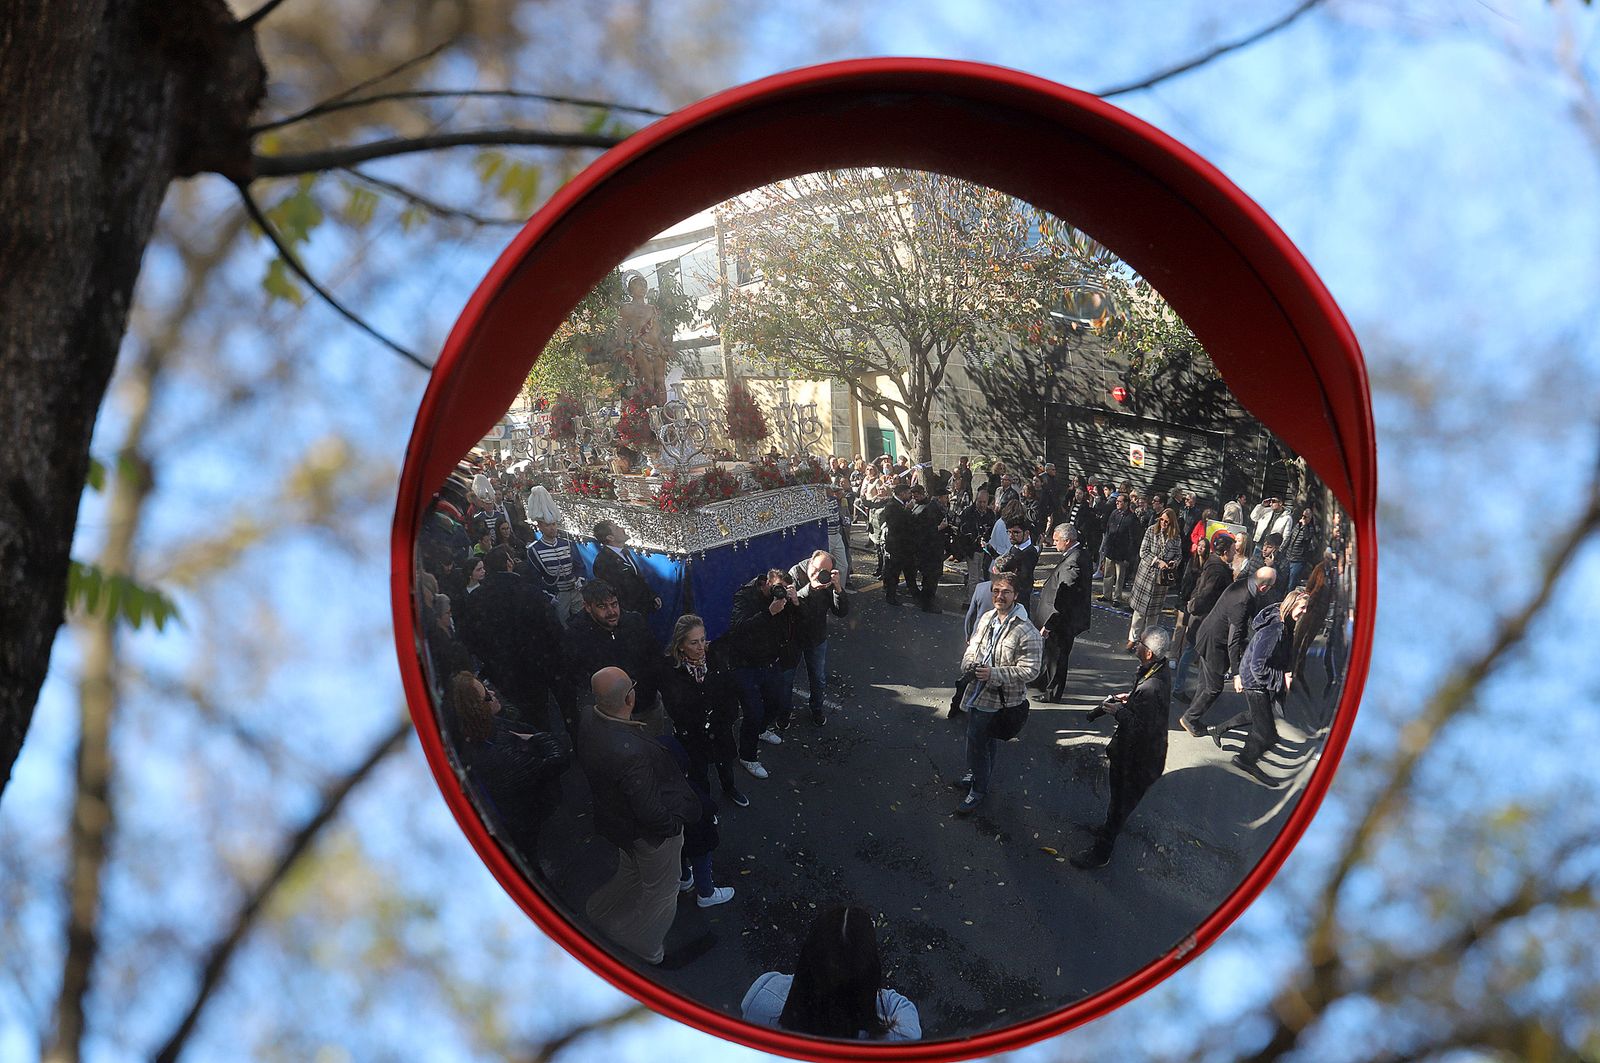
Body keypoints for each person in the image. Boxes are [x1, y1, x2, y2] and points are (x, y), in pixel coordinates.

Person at [577, 667, 701, 966]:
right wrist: (672, 827)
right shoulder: (631, 750)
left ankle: (600, 911)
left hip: (617, 823)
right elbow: (649, 809)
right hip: (649, 835)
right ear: (630, 698)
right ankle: (646, 946)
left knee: (631, 871)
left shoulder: (587, 717)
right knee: (661, 892)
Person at [741, 905, 921, 1040]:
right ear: (871, 973)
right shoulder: (901, 1034)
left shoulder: (761, 996)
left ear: (807, 957)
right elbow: (901, 1007)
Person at [1071, 628, 1172, 869]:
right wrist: (1132, 699)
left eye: (1138, 644)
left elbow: (1140, 728)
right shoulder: (1159, 669)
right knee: (1119, 803)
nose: (1134, 646)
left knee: (1119, 804)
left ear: (1148, 653)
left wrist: (1120, 711)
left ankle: (1101, 852)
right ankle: (1109, 827)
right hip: (1142, 754)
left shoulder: (1151, 687)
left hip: (1137, 759)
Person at [445, 671, 567, 861]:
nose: (493, 693)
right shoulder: (497, 755)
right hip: (537, 824)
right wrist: (539, 739)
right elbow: (558, 760)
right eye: (486, 695)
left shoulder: (488, 729)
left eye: (486, 686)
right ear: (477, 710)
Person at [953, 573, 1043, 816]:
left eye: (1005, 592)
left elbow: (1031, 670)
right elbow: (973, 646)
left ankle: (978, 789)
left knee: (975, 741)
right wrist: (969, 663)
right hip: (976, 690)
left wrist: (994, 674)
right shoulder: (987, 617)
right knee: (986, 738)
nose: (999, 596)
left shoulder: (1027, 631)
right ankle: (979, 775)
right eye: (995, 590)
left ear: (1016, 595)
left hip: (998, 697)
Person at [457, 545, 564, 731]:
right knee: (541, 716)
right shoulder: (530, 592)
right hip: (535, 668)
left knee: (517, 716)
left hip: (501, 672)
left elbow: (469, 638)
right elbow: (554, 631)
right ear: (509, 564)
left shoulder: (476, 599)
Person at [1178, 566, 1277, 737]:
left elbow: (1253, 611)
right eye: (1270, 587)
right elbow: (1234, 641)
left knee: (1205, 681)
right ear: (1264, 587)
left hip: (1208, 634)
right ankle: (1189, 718)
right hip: (1215, 643)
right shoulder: (1242, 601)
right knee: (1215, 687)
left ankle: (1193, 713)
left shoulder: (1245, 584)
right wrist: (1237, 673)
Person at [660, 614, 746, 808]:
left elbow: (729, 689)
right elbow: (674, 706)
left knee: (725, 762)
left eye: (702, 639)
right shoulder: (670, 670)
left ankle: (729, 788)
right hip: (692, 733)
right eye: (693, 642)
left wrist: (727, 717)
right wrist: (700, 720)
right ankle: (705, 804)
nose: (701, 647)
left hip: (720, 727)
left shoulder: (714, 657)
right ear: (681, 645)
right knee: (699, 771)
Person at [722, 568, 801, 779]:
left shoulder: (783, 600)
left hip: (769, 661)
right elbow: (737, 629)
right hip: (744, 665)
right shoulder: (745, 595)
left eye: (783, 590)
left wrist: (795, 602)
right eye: (777, 588)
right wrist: (769, 612)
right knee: (753, 712)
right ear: (766, 582)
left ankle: (761, 729)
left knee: (775, 702)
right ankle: (747, 756)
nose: (779, 593)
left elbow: (797, 623)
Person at [1227, 589, 1310, 785]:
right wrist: (1282, 679)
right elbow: (1258, 666)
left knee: (1261, 723)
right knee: (1267, 734)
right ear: (1291, 606)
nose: (1305, 611)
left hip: (1259, 682)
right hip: (1255, 683)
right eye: (1303, 607)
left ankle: (1225, 735)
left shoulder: (1285, 624)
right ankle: (1245, 760)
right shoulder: (1275, 629)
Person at [563, 579, 662, 733]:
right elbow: (577, 675)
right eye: (602, 606)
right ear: (587, 607)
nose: (611, 612)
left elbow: (654, 657)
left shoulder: (635, 622)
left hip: (646, 707)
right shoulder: (576, 637)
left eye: (614, 604)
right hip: (611, 716)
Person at [654, 733, 735, 908]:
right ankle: (706, 894)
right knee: (702, 863)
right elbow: (707, 808)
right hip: (698, 838)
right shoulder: (687, 791)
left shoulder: (654, 791)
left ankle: (684, 879)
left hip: (676, 837)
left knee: (680, 856)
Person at [1031, 523, 1092, 703]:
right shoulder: (1078, 554)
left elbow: (1064, 597)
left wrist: (1050, 624)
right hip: (1066, 619)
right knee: (1051, 654)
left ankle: (1052, 692)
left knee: (1057, 656)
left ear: (1067, 541)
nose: (1054, 543)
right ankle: (1043, 680)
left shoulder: (1072, 562)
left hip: (1062, 622)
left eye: (1057, 540)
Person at [786, 550, 849, 725]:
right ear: (809, 563)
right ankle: (784, 713)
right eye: (815, 569)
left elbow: (841, 612)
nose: (817, 574)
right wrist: (810, 587)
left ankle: (817, 709)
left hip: (816, 637)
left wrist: (837, 588)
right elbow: (789, 605)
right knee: (786, 678)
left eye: (823, 572)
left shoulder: (828, 580)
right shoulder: (796, 573)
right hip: (794, 636)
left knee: (818, 679)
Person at [1174, 534, 1236, 694]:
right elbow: (1206, 594)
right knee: (1193, 652)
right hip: (1203, 619)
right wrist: (1193, 606)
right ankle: (1181, 688)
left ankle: (1195, 690)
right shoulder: (1217, 571)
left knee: (1197, 654)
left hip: (1202, 618)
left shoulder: (1214, 564)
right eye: (1233, 550)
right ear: (1225, 551)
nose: (1234, 553)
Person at [525, 486, 583, 624]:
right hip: (557, 594)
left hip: (575, 591)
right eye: (547, 525)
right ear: (540, 526)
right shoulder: (534, 550)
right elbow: (535, 578)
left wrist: (581, 578)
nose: (552, 528)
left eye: (554, 524)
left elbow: (579, 565)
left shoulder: (568, 543)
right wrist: (549, 596)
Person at [1127, 507, 1182, 651]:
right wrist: (1158, 561)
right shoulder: (1151, 530)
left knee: (1153, 614)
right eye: (1162, 520)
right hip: (1146, 575)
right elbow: (1143, 552)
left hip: (1161, 580)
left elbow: (1179, 555)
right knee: (1139, 612)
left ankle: (1146, 642)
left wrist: (1173, 563)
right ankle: (1133, 639)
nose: (1163, 523)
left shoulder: (1175, 537)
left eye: (1167, 522)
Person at [592, 520, 662, 617]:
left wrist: (651, 597)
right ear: (610, 537)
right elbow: (613, 593)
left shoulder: (625, 552)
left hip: (641, 611)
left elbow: (637, 579)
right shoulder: (603, 562)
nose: (622, 529)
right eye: (617, 528)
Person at [873, 481, 918, 606]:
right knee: (894, 572)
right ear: (902, 493)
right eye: (908, 493)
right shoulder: (892, 506)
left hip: (906, 546)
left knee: (910, 571)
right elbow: (896, 525)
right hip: (897, 546)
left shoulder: (901, 505)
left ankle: (915, 592)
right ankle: (891, 595)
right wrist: (907, 511)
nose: (910, 496)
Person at [909, 482, 949, 612]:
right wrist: (940, 527)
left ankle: (926, 599)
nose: (947, 499)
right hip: (929, 549)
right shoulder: (930, 509)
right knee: (930, 577)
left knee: (930, 576)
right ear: (940, 497)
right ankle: (927, 603)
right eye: (945, 497)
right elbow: (925, 530)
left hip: (930, 548)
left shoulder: (929, 507)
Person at [990, 521, 1038, 613]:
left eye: (1016, 532)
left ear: (1027, 533)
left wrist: (1001, 574)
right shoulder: (1014, 548)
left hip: (1020, 600)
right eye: (1009, 532)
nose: (1011, 536)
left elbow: (1023, 578)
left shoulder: (1030, 553)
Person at [1099, 494, 1138, 604]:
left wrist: (1128, 556)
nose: (1117, 503)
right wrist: (1105, 547)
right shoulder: (1114, 513)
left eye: (1120, 501)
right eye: (1117, 501)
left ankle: (1117, 597)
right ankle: (1107, 595)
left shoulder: (1131, 518)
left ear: (1126, 503)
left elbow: (1133, 539)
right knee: (1108, 574)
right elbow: (1108, 530)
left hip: (1122, 552)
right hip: (1111, 549)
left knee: (1120, 576)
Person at [1282, 505, 1318, 589]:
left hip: (1298, 559)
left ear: (1309, 518)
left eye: (1305, 517)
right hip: (1289, 557)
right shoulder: (1297, 526)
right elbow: (1289, 538)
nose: (1303, 518)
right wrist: (1281, 549)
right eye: (1303, 516)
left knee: (1292, 583)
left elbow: (1307, 538)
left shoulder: (1310, 529)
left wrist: (1305, 525)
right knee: (1283, 580)